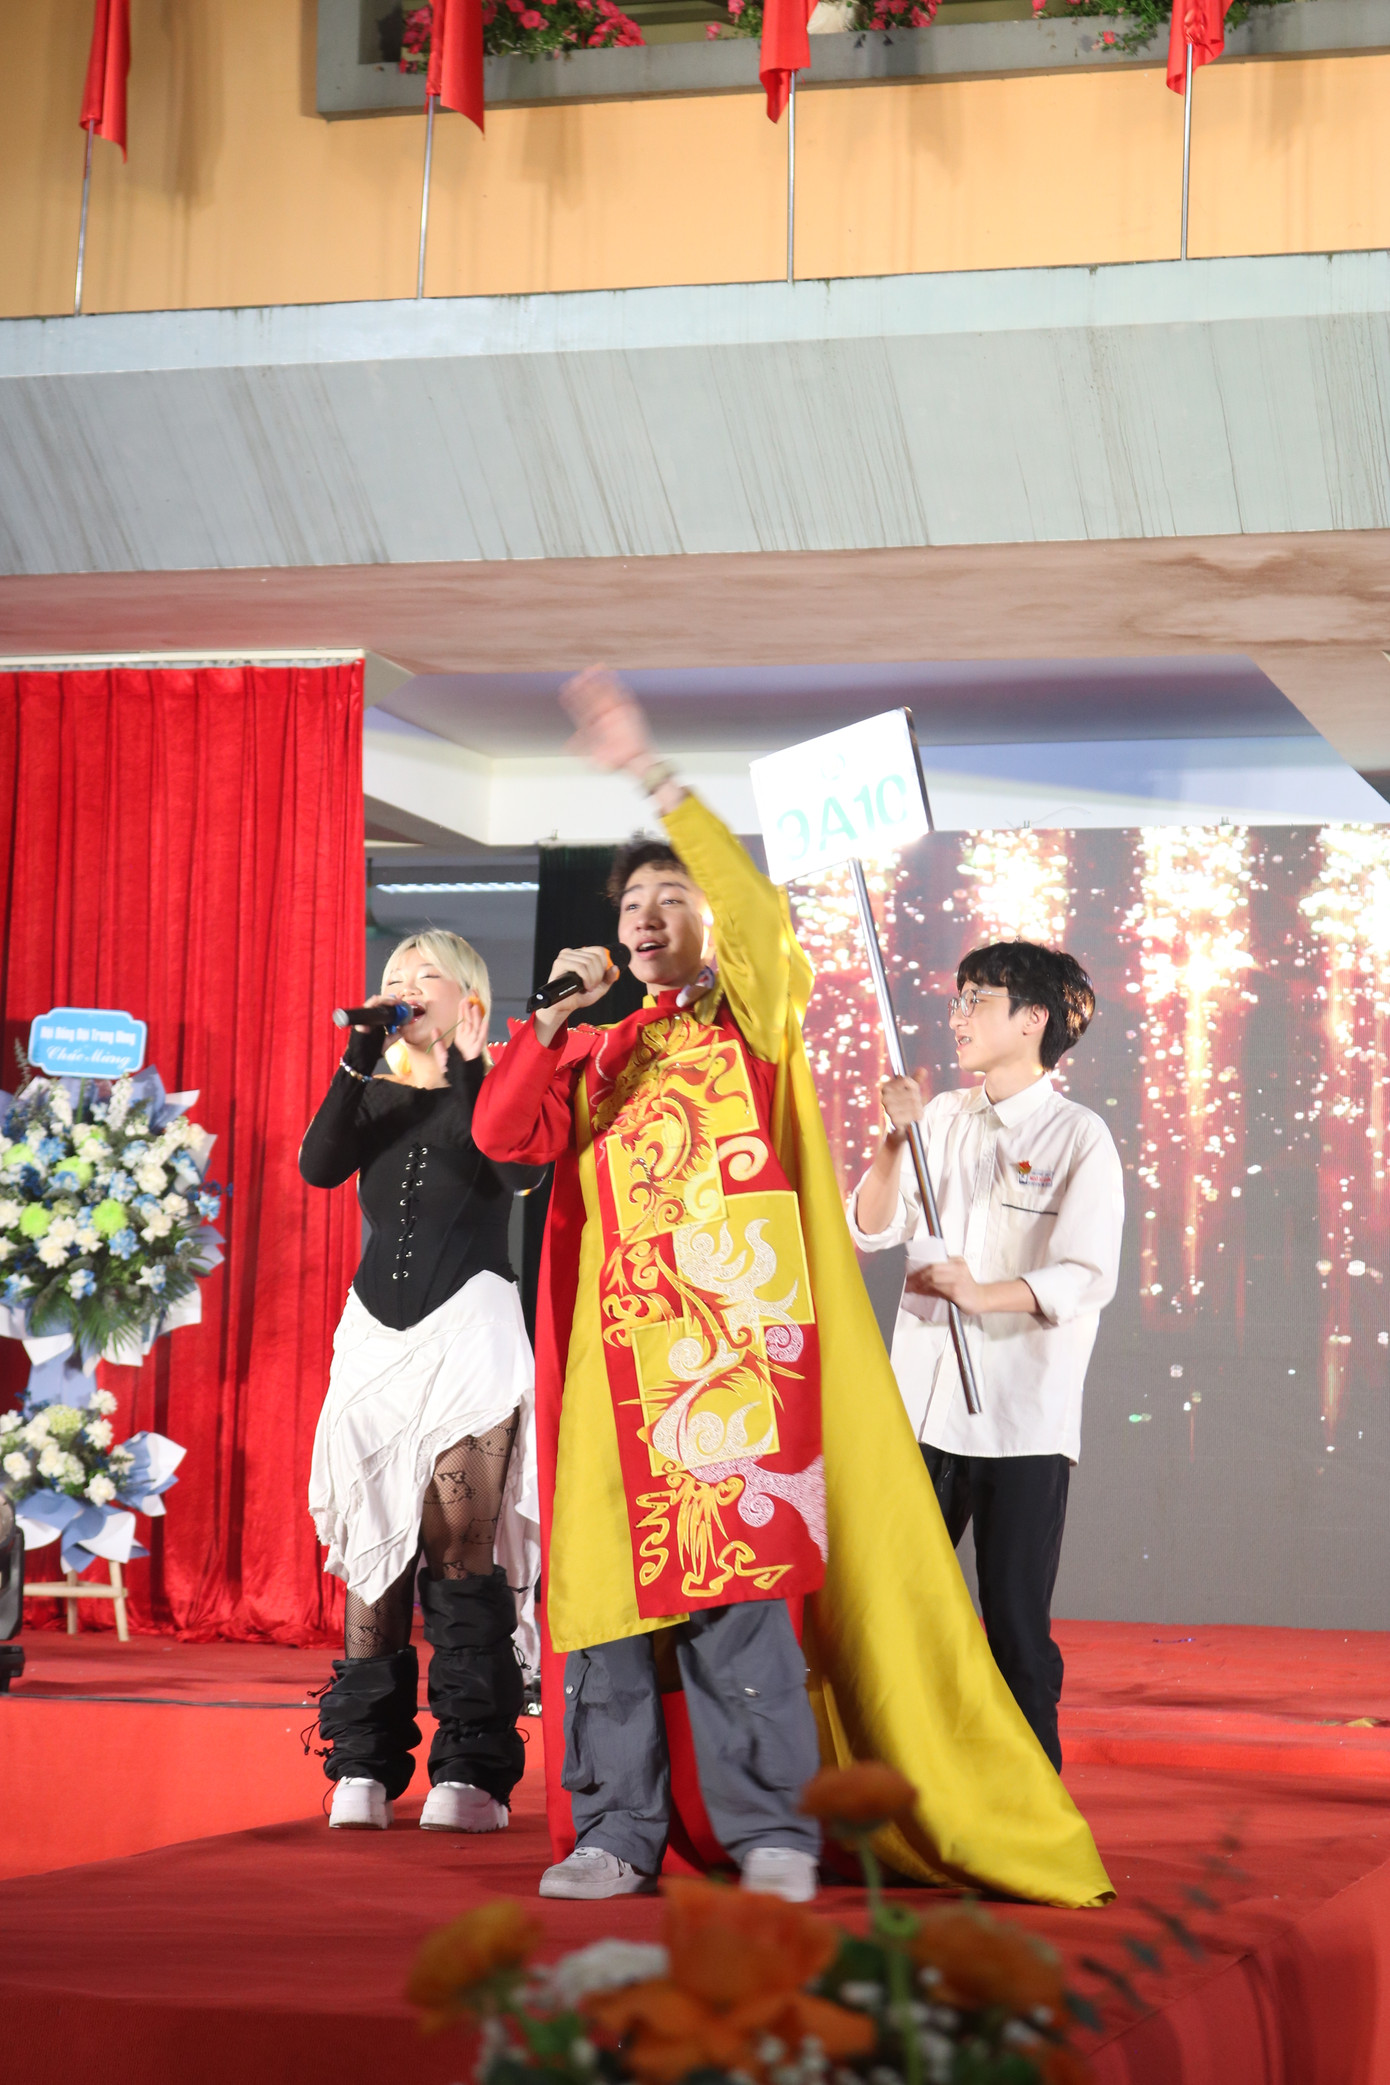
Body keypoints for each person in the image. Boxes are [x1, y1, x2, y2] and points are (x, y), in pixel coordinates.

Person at [472, 669, 1115, 1913]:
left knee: (737, 1610)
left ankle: (770, 1827)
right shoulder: (598, 1054)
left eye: (672, 898)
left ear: (711, 921)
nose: (647, 918)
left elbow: (764, 923)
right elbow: (504, 1135)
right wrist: (546, 1024)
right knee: (603, 1612)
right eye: (632, 904)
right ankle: (614, 1832)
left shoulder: (752, 1028)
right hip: (612, 1382)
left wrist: (652, 775)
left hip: (729, 1378)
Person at [848, 942, 1124, 1772]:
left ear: (1034, 1018)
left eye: (979, 998)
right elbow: (870, 1226)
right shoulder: (939, 1116)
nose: (958, 1014)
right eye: (958, 996)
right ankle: (900, 1794)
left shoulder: (1079, 1135)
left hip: (1019, 1420)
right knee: (896, 1616)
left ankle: (1032, 1801)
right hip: (922, 1413)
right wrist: (895, 1139)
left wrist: (983, 1292)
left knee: (1013, 1625)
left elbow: (1087, 1275)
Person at [300, 931, 541, 1831]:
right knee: (374, 1537)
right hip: (374, 1335)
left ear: (466, 995)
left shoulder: (501, 1080)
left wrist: (474, 1065)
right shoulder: (378, 1089)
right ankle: (363, 1762)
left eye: (423, 975)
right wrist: (357, 1054)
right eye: (393, 975)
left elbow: (519, 1169)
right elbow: (319, 1165)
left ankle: (471, 1767)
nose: (403, 986)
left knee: (456, 1546)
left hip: (469, 1327)